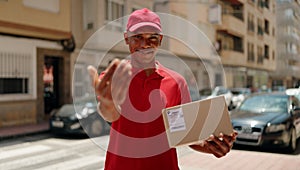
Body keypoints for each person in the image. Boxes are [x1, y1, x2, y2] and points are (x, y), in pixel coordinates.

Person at [88, 8, 237, 170]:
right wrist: (108, 105)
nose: (145, 45)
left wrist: (208, 145)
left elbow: (184, 135)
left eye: (152, 38)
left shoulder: (177, 82)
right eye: (137, 37)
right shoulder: (114, 78)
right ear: (126, 39)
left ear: (160, 40)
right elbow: (109, 114)